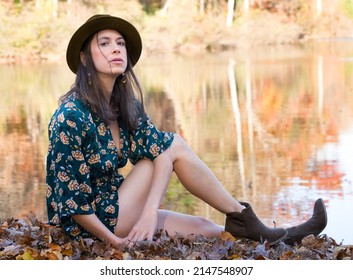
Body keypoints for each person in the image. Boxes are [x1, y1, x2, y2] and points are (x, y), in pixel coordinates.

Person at [46, 14, 327, 248]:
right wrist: (113, 242)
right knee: (172, 146)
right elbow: (72, 203)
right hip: (88, 228)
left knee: (209, 227)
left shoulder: (124, 106)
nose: (117, 49)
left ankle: (270, 233)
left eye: (120, 43)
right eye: (104, 43)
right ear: (84, 58)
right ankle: (245, 217)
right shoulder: (70, 117)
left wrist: (149, 213)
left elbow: (163, 155)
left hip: (117, 208)